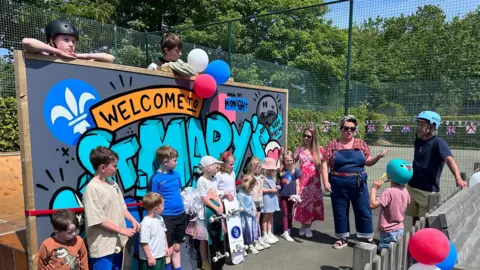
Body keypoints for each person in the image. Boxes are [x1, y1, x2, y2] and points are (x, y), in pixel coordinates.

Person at [324, 115, 388, 249]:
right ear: (341, 129)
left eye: (352, 129)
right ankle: (343, 237)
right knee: (340, 210)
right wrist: (325, 182)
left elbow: (368, 162)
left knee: (363, 209)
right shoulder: (333, 144)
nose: (349, 131)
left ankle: (366, 237)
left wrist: (378, 156)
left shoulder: (361, 143)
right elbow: (324, 163)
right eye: (346, 128)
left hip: (358, 183)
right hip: (337, 182)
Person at [83, 146, 140, 269]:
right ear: (103, 167)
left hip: (118, 245)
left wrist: (132, 220)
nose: (117, 168)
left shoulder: (112, 183)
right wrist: (122, 230)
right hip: (103, 248)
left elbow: (122, 207)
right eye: (114, 166)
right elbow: (97, 220)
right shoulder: (92, 188)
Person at [407, 111, 467, 224]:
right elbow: (420, 161)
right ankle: (413, 240)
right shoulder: (418, 141)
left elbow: (449, 159)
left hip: (427, 191)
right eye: (418, 124)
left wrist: (458, 178)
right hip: (412, 186)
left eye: (422, 125)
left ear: (432, 126)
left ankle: (420, 240)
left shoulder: (439, 142)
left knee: (423, 222)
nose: (419, 127)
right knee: (414, 219)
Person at [150, 146, 185, 270]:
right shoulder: (156, 178)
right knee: (167, 249)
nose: (176, 163)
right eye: (174, 160)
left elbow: (179, 192)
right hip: (167, 217)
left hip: (180, 215)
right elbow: (154, 199)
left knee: (177, 247)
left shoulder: (176, 175)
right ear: (165, 161)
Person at [22, 19, 115, 63]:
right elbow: (27, 42)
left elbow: (110, 58)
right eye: (66, 40)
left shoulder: (78, 61)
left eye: (73, 41)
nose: (71, 44)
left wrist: (83, 56)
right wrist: (58, 52)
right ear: (51, 41)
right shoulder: (42, 56)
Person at [369, 159, 413, 252]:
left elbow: (372, 205)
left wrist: (374, 189)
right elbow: (408, 201)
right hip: (400, 227)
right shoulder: (405, 190)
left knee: (385, 254)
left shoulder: (389, 192)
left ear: (389, 175)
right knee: (396, 251)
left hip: (388, 230)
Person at [293, 127, 328, 239]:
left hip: (314, 181)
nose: (306, 138)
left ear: (314, 137)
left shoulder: (319, 150)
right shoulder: (300, 149)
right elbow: (291, 162)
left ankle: (308, 227)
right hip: (302, 180)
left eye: (309, 136)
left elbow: (324, 166)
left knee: (312, 204)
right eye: (304, 135)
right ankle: (303, 225)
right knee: (302, 204)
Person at [196, 155, 224, 270]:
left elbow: (216, 195)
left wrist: (220, 205)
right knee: (204, 239)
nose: (217, 167)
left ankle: (216, 257)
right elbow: (204, 198)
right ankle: (205, 261)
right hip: (204, 214)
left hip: (214, 213)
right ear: (207, 168)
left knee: (216, 236)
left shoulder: (213, 180)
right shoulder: (201, 180)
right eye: (214, 165)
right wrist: (216, 208)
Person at [139, 192, 170, 270]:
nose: (164, 207)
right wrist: (149, 257)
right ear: (156, 209)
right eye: (162, 205)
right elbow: (144, 242)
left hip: (160, 255)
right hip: (150, 258)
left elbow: (163, 233)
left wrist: (166, 247)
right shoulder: (146, 223)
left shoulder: (160, 218)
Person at [244, 157, 268, 250]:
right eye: (258, 166)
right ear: (252, 166)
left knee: (258, 220)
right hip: (252, 201)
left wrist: (261, 178)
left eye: (260, 166)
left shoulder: (259, 176)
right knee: (253, 221)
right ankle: (253, 240)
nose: (260, 168)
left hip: (259, 200)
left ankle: (258, 238)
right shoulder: (249, 177)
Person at [278, 150, 301, 242]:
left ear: (293, 160)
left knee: (290, 212)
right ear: (284, 161)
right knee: (285, 213)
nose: (289, 162)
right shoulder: (282, 171)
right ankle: (285, 231)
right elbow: (279, 163)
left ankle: (288, 228)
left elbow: (297, 184)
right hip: (283, 195)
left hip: (292, 195)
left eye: (291, 160)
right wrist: (280, 155)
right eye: (287, 160)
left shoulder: (296, 171)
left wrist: (297, 195)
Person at [237, 175, 261, 254]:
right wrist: (251, 213)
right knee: (245, 230)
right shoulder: (240, 195)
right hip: (245, 217)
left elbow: (252, 202)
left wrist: (254, 210)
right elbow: (242, 207)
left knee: (252, 229)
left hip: (251, 216)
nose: (252, 189)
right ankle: (245, 246)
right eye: (252, 187)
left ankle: (251, 244)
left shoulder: (248, 193)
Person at [261, 157, 280, 245]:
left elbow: (273, 186)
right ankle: (264, 234)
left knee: (270, 216)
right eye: (270, 169)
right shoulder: (263, 178)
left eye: (273, 169)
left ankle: (269, 232)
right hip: (267, 198)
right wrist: (270, 191)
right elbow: (261, 189)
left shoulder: (272, 178)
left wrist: (277, 187)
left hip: (272, 198)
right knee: (266, 216)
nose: (272, 171)